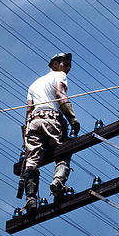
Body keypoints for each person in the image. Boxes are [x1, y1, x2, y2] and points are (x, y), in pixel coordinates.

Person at [21, 52, 80, 212]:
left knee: (31, 161)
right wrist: (72, 118)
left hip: (33, 122)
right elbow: (60, 94)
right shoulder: (59, 75)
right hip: (50, 118)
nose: (67, 67)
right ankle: (58, 182)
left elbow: (28, 110)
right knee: (63, 151)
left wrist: (25, 138)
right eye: (64, 63)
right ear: (54, 64)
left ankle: (31, 198)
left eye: (68, 64)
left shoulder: (33, 84)